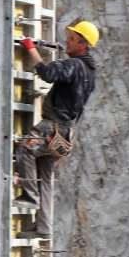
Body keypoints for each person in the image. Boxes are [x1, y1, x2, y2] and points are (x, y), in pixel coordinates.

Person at [14, 20, 99, 235]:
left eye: (72, 39)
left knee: (25, 148)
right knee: (46, 176)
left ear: (83, 44)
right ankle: (43, 227)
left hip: (51, 128)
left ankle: (29, 197)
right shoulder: (90, 73)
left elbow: (48, 73)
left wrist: (30, 48)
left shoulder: (75, 65)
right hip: (66, 133)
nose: (67, 43)